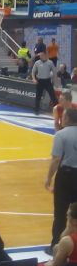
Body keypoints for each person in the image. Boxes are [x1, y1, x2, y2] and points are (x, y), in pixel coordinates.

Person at [45, 109, 77, 254]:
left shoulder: (61, 135)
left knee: (60, 213)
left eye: (63, 116)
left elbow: (56, 159)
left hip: (66, 176)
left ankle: (55, 246)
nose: (61, 118)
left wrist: (48, 178)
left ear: (68, 119)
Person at [42, 202, 77, 266]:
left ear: (74, 221)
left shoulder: (68, 241)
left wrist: (48, 265)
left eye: (68, 215)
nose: (66, 217)